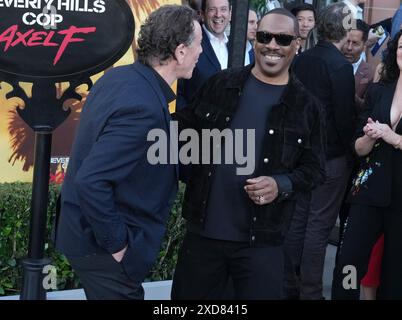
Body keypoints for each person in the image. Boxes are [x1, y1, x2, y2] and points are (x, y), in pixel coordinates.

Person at [171, 8, 326, 300]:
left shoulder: (307, 106)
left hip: (262, 243)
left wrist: (281, 184)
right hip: (203, 237)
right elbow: (181, 131)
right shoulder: (221, 84)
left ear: (297, 45)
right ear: (254, 39)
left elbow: (316, 170)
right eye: (265, 36)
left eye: (283, 39)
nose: (272, 45)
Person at [55, 5, 202, 300]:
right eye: (199, 44)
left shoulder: (122, 78)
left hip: (87, 240)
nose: (201, 52)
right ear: (181, 51)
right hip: (103, 250)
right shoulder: (142, 105)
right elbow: (91, 181)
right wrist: (118, 246)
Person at [284, 2, 356, 300]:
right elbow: (344, 119)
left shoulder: (302, 60)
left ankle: (287, 286)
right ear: (345, 28)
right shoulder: (340, 66)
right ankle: (310, 292)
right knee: (318, 226)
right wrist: (354, 152)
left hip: (302, 154)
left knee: (298, 222)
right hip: (330, 158)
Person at [332, 30, 402, 300]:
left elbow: (393, 137)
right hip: (368, 191)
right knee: (349, 260)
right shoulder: (378, 91)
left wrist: (394, 137)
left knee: (395, 273)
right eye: (400, 47)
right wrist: (369, 138)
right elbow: (358, 148)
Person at [176, 0, 231, 110]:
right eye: (212, 9)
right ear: (202, 14)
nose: (218, 14)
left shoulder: (237, 46)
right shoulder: (188, 42)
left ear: (230, 13)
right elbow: (177, 91)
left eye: (223, 9)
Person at [342, 19, 374, 110]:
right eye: (347, 41)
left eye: (355, 43)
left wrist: (350, 93)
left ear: (364, 46)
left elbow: (368, 108)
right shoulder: (329, 64)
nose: (349, 48)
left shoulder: (371, 73)